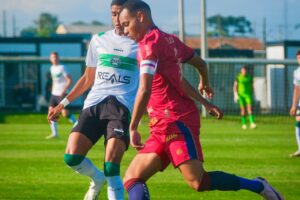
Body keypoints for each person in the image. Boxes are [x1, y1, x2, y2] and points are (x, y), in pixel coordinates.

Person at [119, 1, 284, 200]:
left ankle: (259, 186)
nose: (124, 30)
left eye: (126, 24)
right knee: (132, 178)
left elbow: (144, 89)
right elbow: (195, 68)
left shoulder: (148, 45)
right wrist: (205, 94)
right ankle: (259, 185)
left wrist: (133, 126)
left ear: (141, 16)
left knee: (198, 182)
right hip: (161, 125)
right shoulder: (169, 40)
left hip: (176, 122)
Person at [47, 0, 138, 199]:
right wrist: (63, 103)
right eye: (113, 14)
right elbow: (88, 78)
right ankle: (97, 179)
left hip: (121, 109)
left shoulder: (141, 44)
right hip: (94, 105)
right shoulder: (99, 40)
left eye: (120, 14)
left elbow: (150, 84)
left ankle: (106, 179)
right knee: (71, 156)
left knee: (112, 166)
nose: (116, 19)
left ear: (130, 15)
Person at [46, 51, 77, 139]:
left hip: (62, 94)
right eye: (52, 57)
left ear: (58, 58)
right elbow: (54, 81)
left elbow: (69, 80)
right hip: (54, 94)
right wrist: (52, 90)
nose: (54, 58)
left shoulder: (62, 67)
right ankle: (55, 133)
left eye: (56, 57)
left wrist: (63, 91)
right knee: (51, 112)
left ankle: (77, 123)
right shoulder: (52, 68)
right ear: (50, 59)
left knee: (64, 113)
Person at [289, 50, 300, 157]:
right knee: (298, 123)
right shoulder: (297, 72)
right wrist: (294, 105)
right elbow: (297, 89)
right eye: (298, 58)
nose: (299, 60)